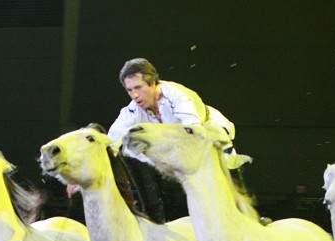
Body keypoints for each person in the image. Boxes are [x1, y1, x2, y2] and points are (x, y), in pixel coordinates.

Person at [102, 58, 238, 223]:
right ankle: (153, 217)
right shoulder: (132, 110)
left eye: (138, 87)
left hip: (205, 130)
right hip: (173, 144)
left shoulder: (179, 97)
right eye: (129, 90)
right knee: (129, 150)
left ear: (153, 83)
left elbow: (193, 131)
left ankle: (242, 212)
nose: (134, 95)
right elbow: (110, 144)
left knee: (225, 154)